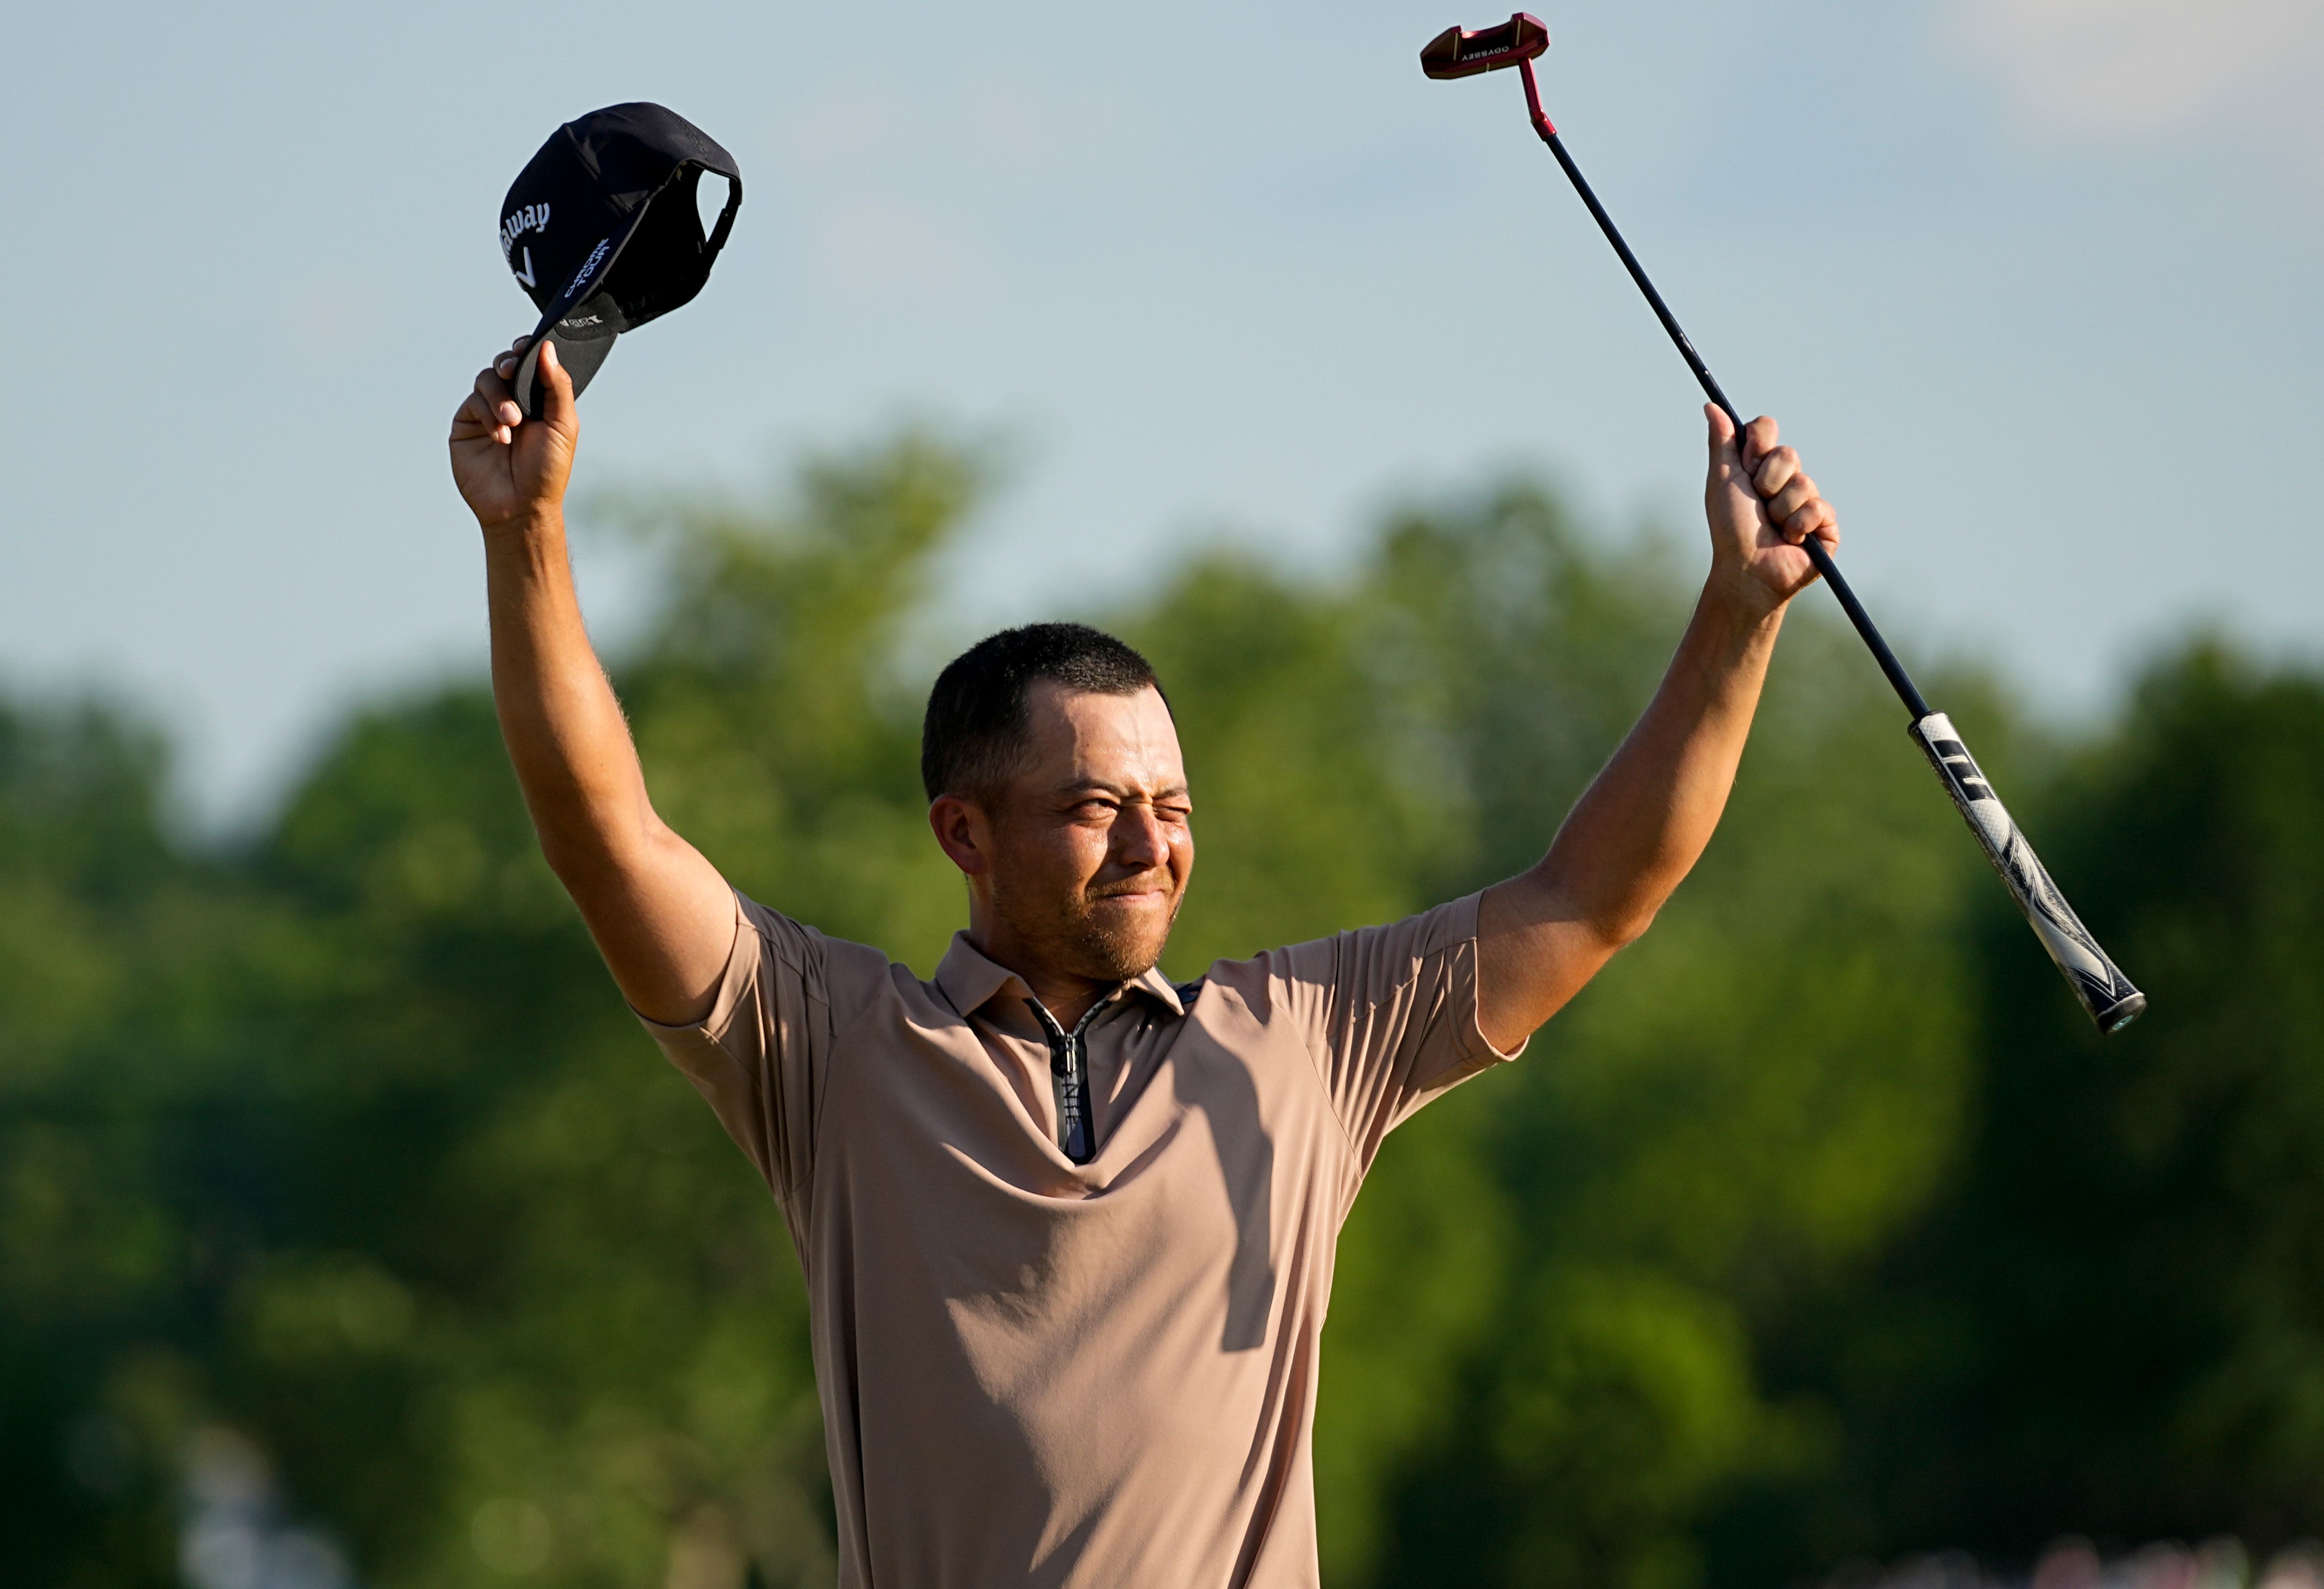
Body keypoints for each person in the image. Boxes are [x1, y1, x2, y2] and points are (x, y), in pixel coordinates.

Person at [449, 336, 1838, 1588]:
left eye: (1171, 810)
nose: (1147, 847)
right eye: (1092, 808)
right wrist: (529, 537)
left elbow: (1594, 892)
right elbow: (607, 838)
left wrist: (1739, 610)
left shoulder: (1304, 1039)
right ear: (963, 833)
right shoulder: (828, 1048)